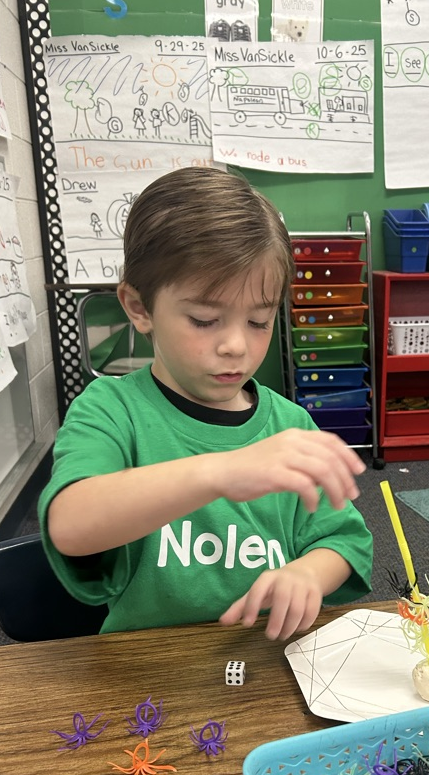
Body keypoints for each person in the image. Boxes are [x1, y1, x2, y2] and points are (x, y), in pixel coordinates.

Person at [40, 167, 373, 641]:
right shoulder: (111, 409)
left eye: (259, 321)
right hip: (152, 664)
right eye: (203, 319)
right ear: (139, 308)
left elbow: (343, 539)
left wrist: (309, 573)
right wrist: (219, 471)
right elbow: (71, 524)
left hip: (266, 658)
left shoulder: (291, 425)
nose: (235, 346)